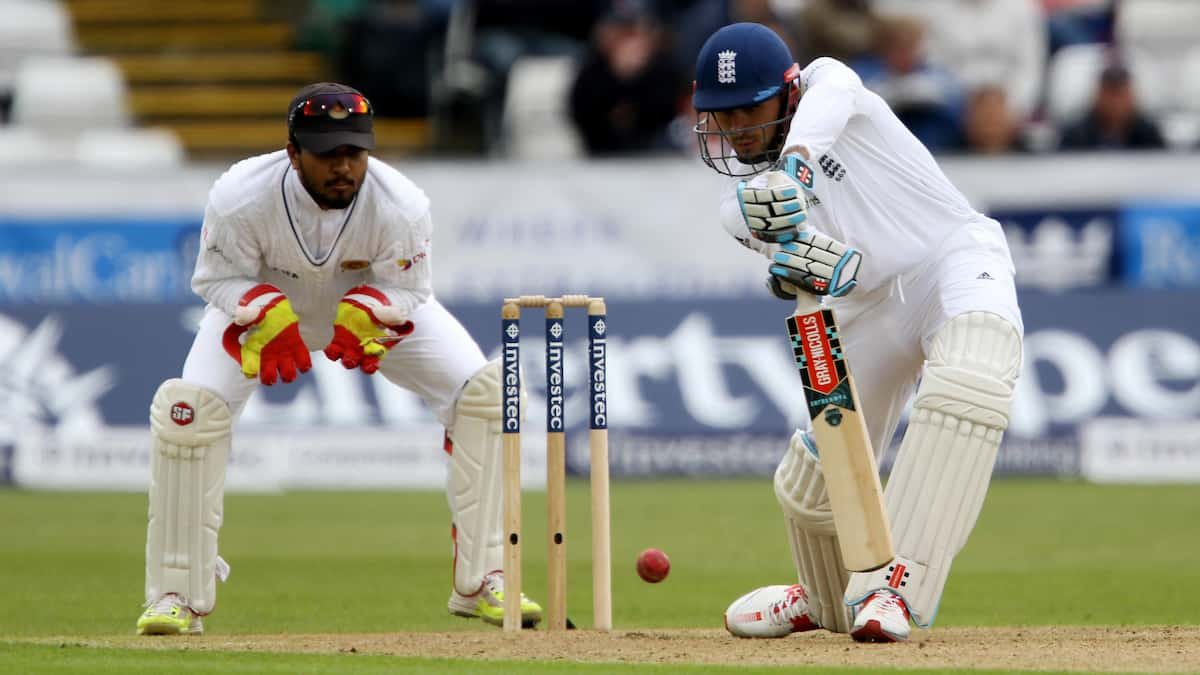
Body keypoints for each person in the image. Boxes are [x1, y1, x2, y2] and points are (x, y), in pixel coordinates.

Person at [134, 82, 542, 635]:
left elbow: (412, 291)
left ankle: (487, 579)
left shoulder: (401, 204)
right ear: (292, 152)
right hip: (264, 315)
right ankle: (174, 597)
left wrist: (370, 308)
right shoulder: (240, 196)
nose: (343, 167)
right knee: (188, 417)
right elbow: (213, 278)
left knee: (485, 395)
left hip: (365, 314)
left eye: (354, 152)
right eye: (327, 153)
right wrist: (263, 309)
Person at [691, 24, 1023, 642]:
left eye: (749, 108)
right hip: (869, 307)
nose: (736, 128)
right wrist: (793, 262)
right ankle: (825, 600)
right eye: (723, 115)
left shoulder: (829, 85)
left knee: (973, 368)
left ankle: (897, 584)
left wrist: (794, 168)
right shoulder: (739, 207)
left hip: (949, 257)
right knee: (809, 483)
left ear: (787, 92)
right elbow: (820, 272)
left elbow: (831, 94)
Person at [1059, 62, 1165, 151]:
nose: (1116, 103)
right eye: (1111, 94)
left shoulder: (1149, 134)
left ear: (1132, 96)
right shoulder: (1075, 135)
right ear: (1098, 95)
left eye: (1121, 95)